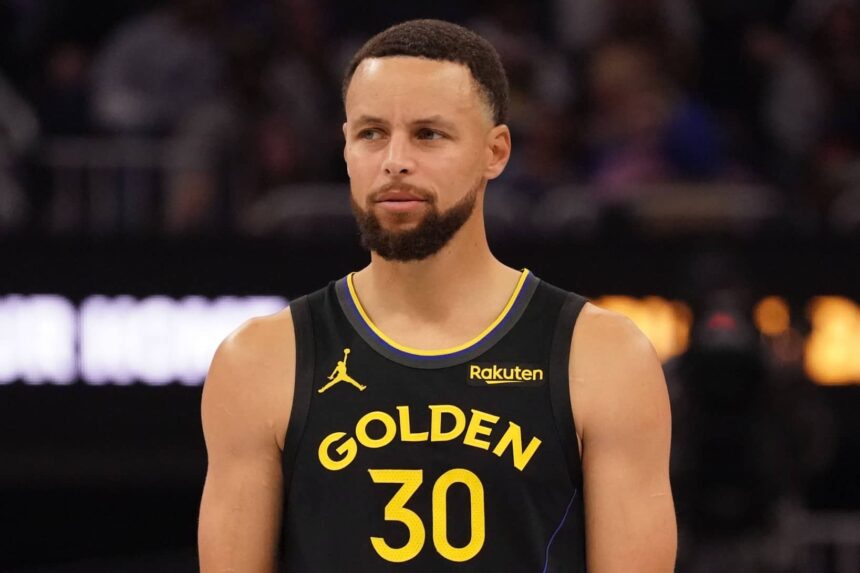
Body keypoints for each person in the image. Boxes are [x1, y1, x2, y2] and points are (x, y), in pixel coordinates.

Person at [198, 19, 676, 572]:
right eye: (371, 133)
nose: (395, 160)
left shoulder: (604, 357)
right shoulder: (259, 361)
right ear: (346, 148)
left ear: (496, 152)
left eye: (428, 134)